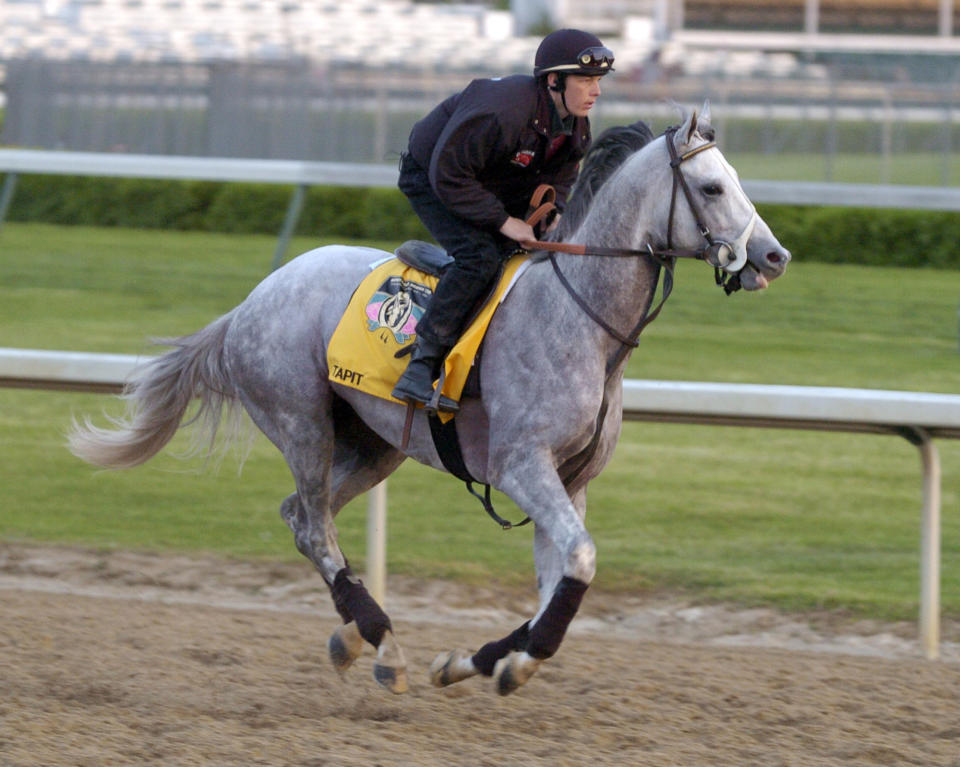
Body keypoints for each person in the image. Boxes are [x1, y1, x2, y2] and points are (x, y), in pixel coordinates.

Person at [391, 28, 615, 412]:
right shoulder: (503, 110)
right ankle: (421, 364)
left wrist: (552, 211)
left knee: (521, 258)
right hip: (434, 175)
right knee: (479, 257)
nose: (595, 90)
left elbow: (561, 176)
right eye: (585, 80)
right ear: (553, 81)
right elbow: (450, 176)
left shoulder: (577, 124)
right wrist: (503, 221)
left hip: (489, 180)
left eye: (597, 81)